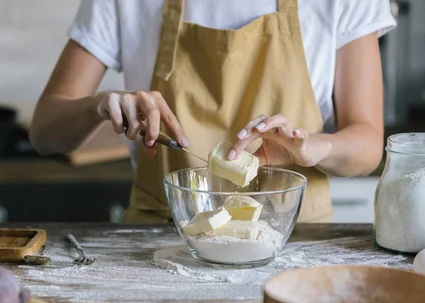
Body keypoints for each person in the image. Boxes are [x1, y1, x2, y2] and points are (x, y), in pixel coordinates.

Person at [30, 0, 396, 224]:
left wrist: (316, 147)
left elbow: (366, 147)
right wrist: (101, 102)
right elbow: (45, 132)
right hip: (159, 245)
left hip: (296, 241)